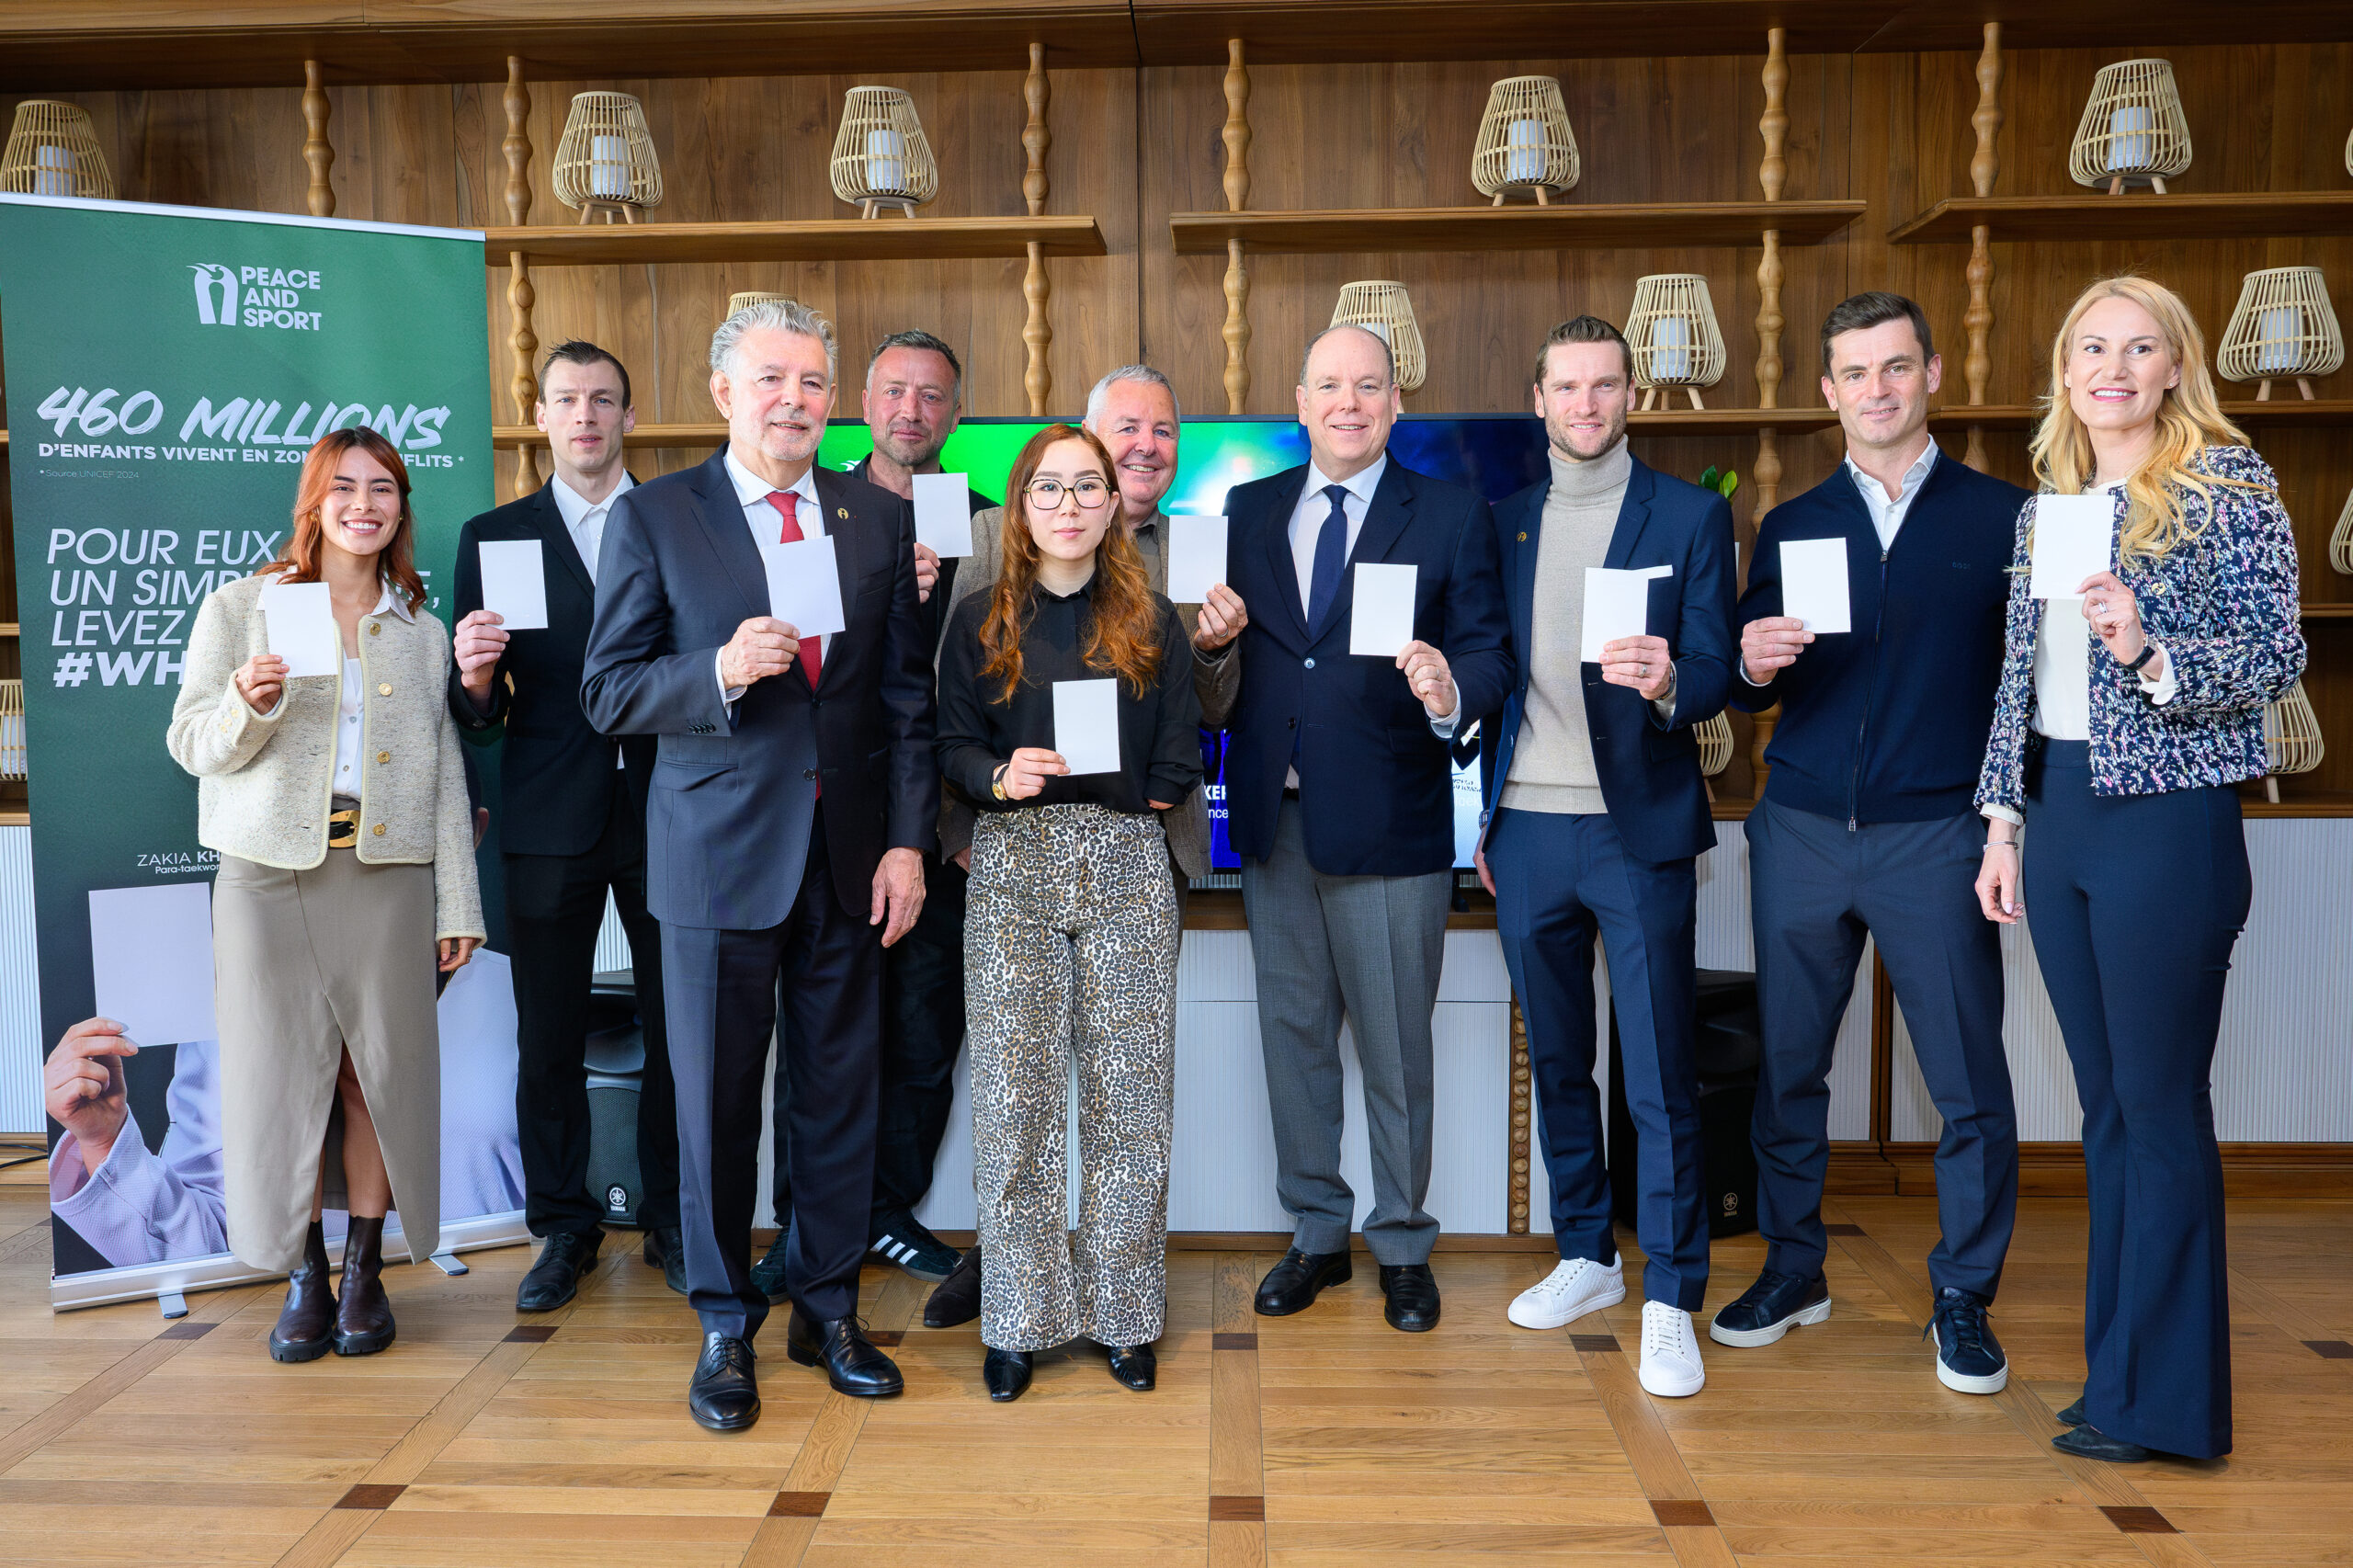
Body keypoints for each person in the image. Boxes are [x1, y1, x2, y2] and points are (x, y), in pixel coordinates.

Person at [582, 299, 935, 1431]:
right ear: (724, 392)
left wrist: (905, 841)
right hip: (715, 860)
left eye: (814, 381)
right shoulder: (655, 515)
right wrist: (719, 671)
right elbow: (607, 691)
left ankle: (826, 1308)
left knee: (839, 1099)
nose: (795, 399)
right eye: (772, 379)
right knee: (716, 1108)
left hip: (849, 859)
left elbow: (903, 702)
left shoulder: (872, 518)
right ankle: (725, 1322)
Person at [1974, 275, 2303, 1464]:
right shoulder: (2047, 507)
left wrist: (2150, 645)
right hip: (2060, 816)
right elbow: (2019, 679)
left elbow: (2276, 651)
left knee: (2159, 1107)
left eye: (2138, 348)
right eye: (2091, 348)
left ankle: (2167, 1408)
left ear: (2175, 368)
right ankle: (2116, 1379)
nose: (2111, 368)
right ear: (2065, 372)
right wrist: (2002, 824)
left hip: (2167, 820)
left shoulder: (2228, 488)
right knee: (2107, 1108)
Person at [1719, 292, 2029, 1396]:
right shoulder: (1792, 522)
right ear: (1829, 391)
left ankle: (1964, 1293)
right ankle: (1792, 1267)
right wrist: (1750, 661)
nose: (1877, 388)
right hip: (1800, 827)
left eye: (1896, 366)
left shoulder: (2005, 519)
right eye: (1855, 372)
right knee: (1788, 1069)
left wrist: (2004, 821)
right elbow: (1752, 679)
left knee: (1966, 1080)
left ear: (1931, 373)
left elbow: (2029, 687)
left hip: (1938, 833)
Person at [920, 363, 1246, 1332]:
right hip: (1011, 864)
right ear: (1021, 505)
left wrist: (1142, 798)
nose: (1069, 504)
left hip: (1128, 862)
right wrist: (997, 779)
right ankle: (1021, 1321)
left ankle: (1124, 1317)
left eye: (1086, 488)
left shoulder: (1153, 616)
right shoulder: (978, 614)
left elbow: (1187, 741)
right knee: (1013, 1104)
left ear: (1113, 507)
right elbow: (949, 743)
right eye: (1049, 487)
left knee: (1130, 1103)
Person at [165, 426, 484, 1362]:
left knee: (372, 1075)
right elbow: (190, 742)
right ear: (315, 501)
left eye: (382, 487)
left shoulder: (420, 631)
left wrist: (459, 904)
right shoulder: (241, 608)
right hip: (265, 877)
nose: (363, 504)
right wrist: (247, 704)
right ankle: (303, 1273)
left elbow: (444, 775)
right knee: (283, 1076)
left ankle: (365, 1270)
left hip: (386, 877)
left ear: (401, 508)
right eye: (343, 486)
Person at [1461, 316, 1733, 1397]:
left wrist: (1669, 681)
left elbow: (1715, 670)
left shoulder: (1690, 513)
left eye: (1604, 385)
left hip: (1638, 828)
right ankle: (1587, 1253)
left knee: (1660, 1070)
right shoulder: (1503, 522)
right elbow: (1490, 676)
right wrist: (1482, 810)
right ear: (1539, 398)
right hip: (1527, 827)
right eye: (1566, 386)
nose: (1585, 404)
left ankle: (1670, 1294)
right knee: (1559, 1058)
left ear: (1631, 395)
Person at [1222, 324, 1511, 1333]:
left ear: (1396, 404)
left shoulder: (1449, 512)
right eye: (1330, 386)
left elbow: (1490, 654)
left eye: (1369, 386)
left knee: (1394, 1048)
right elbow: (1238, 659)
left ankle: (1402, 1244)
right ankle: (1315, 1233)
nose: (1349, 403)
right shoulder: (1249, 510)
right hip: (1276, 823)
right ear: (1300, 404)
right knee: (1294, 1040)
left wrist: (1449, 687)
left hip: (1392, 823)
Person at [753, 328, 994, 1299]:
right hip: (834, 823)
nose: (911, 411)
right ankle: (804, 1226)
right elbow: (806, 672)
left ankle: (888, 1211)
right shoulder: (822, 509)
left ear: (956, 415)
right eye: (895, 391)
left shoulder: (989, 523)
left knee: (926, 1037)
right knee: (821, 1037)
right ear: (862, 403)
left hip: (951, 826)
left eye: (932, 396)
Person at [448, 341, 685, 1311]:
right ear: (540, 416)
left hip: (671, 807)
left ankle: (675, 1221)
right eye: (566, 399)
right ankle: (561, 1226)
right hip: (548, 813)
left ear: (629, 416)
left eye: (602, 399)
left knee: (681, 1030)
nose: (584, 415)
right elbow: (478, 712)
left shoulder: (679, 521)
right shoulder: (494, 534)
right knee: (546, 1036)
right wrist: (471, 677)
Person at [45, 960, 525, 1268]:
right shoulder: (234, 999)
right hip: (279, 1323)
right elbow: (205, 1248)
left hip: (494, 1311)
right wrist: (104, 1143)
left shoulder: (520, 989)